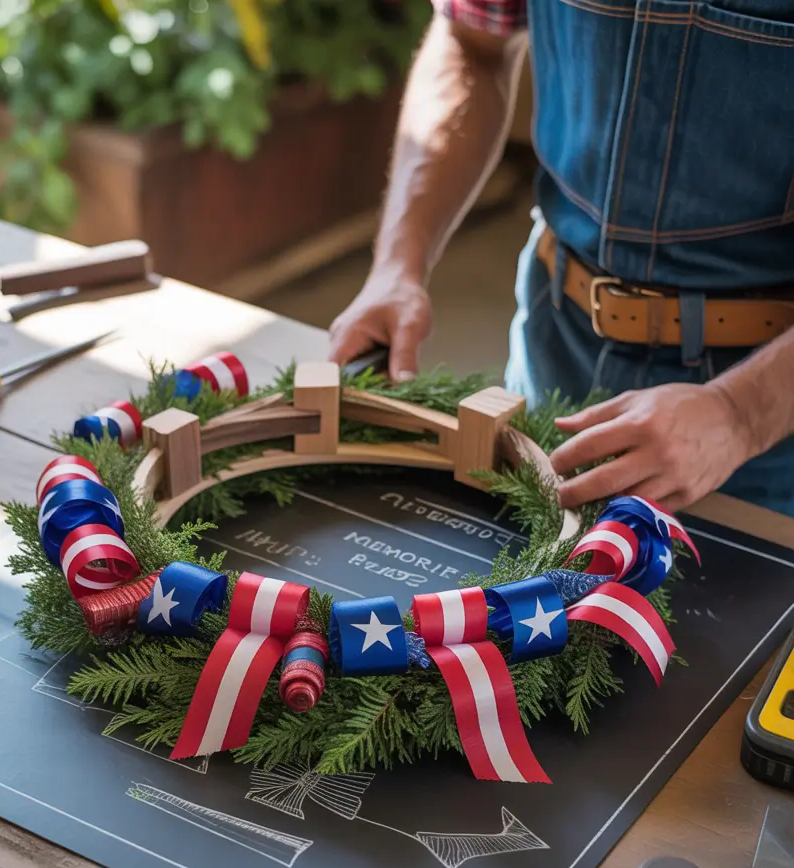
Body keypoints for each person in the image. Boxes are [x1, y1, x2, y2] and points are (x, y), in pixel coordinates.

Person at [328, 0, 794, 515]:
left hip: (770, 415)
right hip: (554, 337)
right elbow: (470, 42)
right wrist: (399, 264)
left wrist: (740, 415)